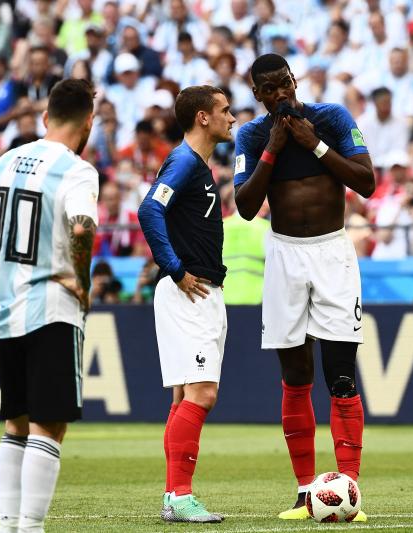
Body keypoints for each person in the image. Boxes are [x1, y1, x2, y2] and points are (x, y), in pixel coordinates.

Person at [233, 53, 375, 522]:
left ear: (294, 80)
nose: (279, 94)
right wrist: (274, 149)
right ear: (256, 94)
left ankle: (349, 489)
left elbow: (367, 182)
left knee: (340, 374)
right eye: (268, 89)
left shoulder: (331, 118)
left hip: (333, 253)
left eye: (283, 84)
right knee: (296, 376)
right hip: (284, 255)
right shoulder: (252, 135)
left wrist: (314, 146)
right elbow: (248, 207)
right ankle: (303, 494)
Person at [0, 79, 99, 533]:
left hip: (7, 310)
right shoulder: (77, 171)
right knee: (48, 427)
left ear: (45, 117)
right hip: (51, 309)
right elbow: (81, 229)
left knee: (14, 423)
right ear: (88, 122)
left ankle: (7, 526)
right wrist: (82, 281)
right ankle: (31, 527)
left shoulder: (4, 162)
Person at [137, 85, 235, 523]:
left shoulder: (197, 165)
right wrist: (175, 268)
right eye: (225, 111)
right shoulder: (182, 162)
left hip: (204, 291)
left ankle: (172, 496)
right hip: (187, 291)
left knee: (184, 395)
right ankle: (179, 495)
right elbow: (148, 211)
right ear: (202, 117)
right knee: (202, 393)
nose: (231, 118)